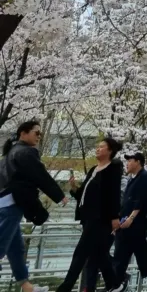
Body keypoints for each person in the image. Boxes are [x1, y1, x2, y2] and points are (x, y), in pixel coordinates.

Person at [0, 120, 67, 292]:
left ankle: (27, 286)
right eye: (36, 133)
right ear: (23, 133)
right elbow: (41, 176)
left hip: (6, 203)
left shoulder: (10, 153)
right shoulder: (26, 152)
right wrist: (59, 196)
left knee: (16, 248)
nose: (39, 136)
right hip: (12, 206)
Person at [55, 136, 126, 292]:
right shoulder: (94, 169)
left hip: (100, 218)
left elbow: (113, 194)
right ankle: (115, 284)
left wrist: (115, 217)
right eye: (97, 146)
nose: (97, 149)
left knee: (80, 252)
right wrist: (74, 188)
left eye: (101, 146)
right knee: (99, 252)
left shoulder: (112, 169)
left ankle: (65, 287)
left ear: (110, 151)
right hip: (88, 217)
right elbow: (83, 194)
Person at [113, 153, 147, 292]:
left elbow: (143, 200)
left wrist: (131, 218)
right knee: (122, 252)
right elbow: (126, 202)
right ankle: (118, 283)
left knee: (140, 251)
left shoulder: (146, 177)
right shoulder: (131, 179)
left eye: (130, 160)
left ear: (138, 162)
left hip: (138, 222)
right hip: (124, 222)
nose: (127, 163)